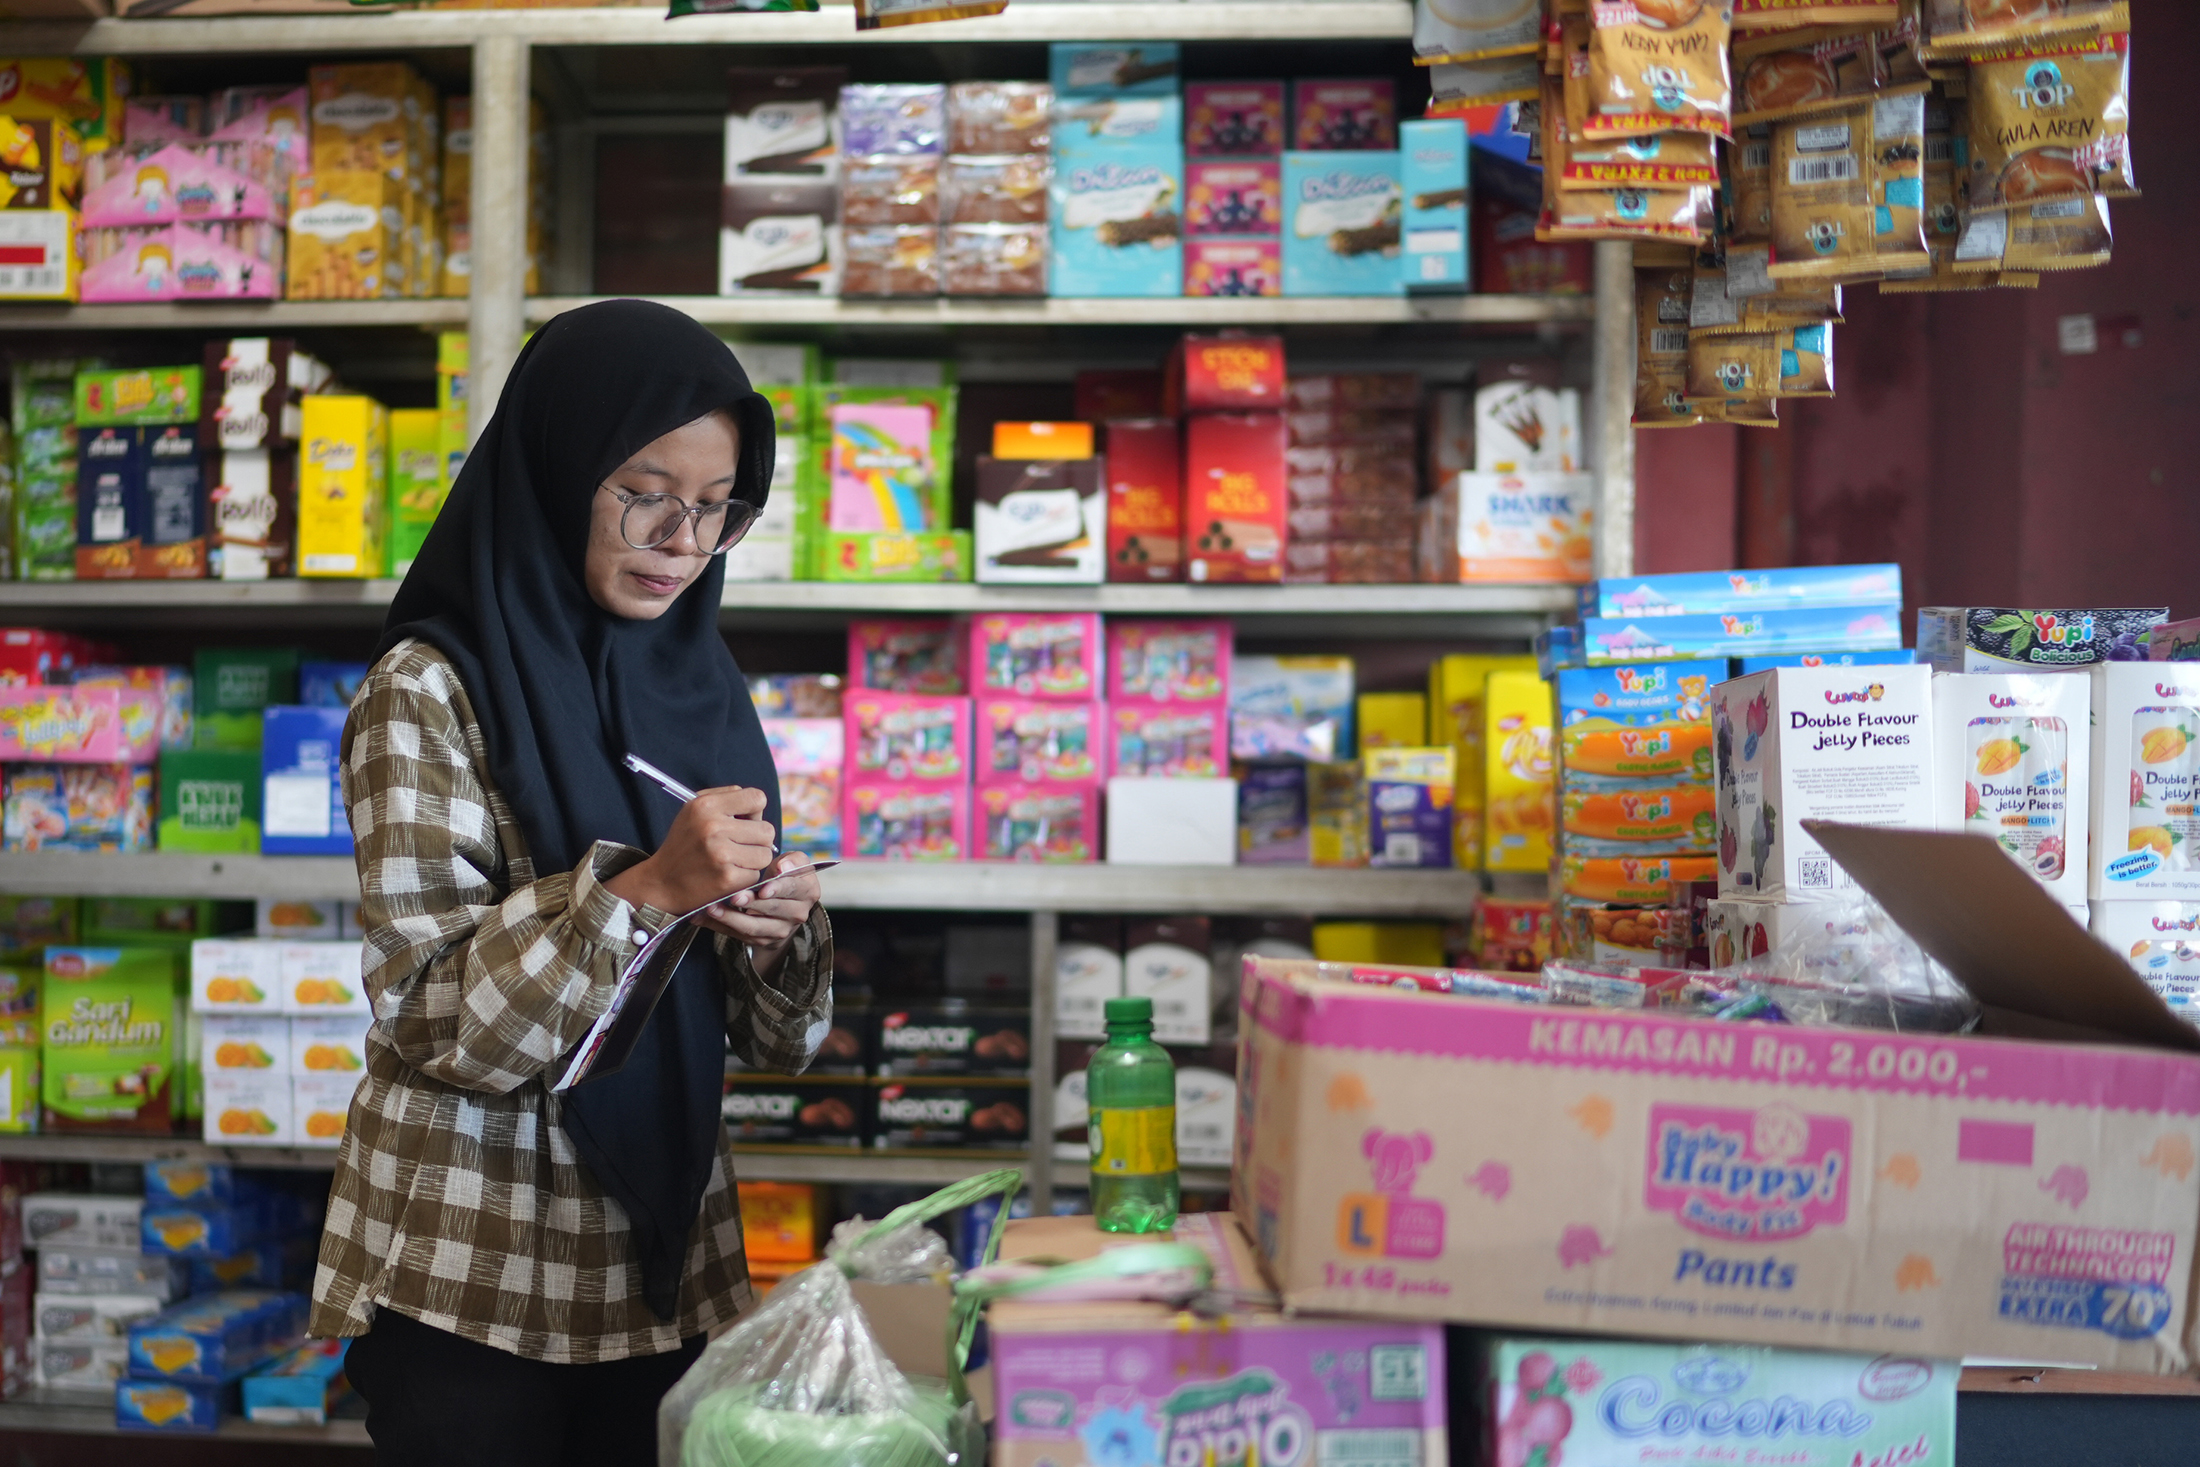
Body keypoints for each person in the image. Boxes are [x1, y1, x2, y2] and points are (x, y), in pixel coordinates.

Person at [310, 300, 833, 1465]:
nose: (679, 537)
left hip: (666, 1254)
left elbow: (777, 1042)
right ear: (557, 468)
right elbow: (438, 1018)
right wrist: (642, 892)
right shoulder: (428, 689)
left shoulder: (700, 684)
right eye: (642, 490)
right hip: (472, 1261)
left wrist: (771, 933)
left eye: (714, 506)